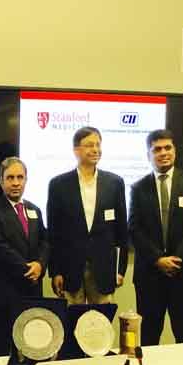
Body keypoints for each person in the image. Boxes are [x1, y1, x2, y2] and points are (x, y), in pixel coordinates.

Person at [130, 129, 183, 345]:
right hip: (150, 275)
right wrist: (158, 259)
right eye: (157, 149)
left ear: (175, 150)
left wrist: (177, 258)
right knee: (148, 337)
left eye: (168, 147)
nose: (163, 153)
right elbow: (134, 228)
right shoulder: (138, 188)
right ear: (148, 154)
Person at [0, 157, 50, 357]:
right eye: (10, 178)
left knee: (29, 348)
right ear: (1, 181)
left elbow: (45, 242)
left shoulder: (34, 210)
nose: (16, 182)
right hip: (1, 293)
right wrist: (28, 269)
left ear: (26, 180)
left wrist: (40, 265)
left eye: (20, 177)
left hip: (30, 291)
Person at [47, 126, 128, 304]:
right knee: (72, 319)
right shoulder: (58, 185)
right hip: (70, 269)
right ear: (76, 150)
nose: (95, 149)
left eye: (98, 145)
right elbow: (53, 232)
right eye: (90, 145)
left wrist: (120, 270)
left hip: (104, 270)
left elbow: (122, 230)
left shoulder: (114, 183)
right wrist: (55, 272)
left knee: (102, 320)